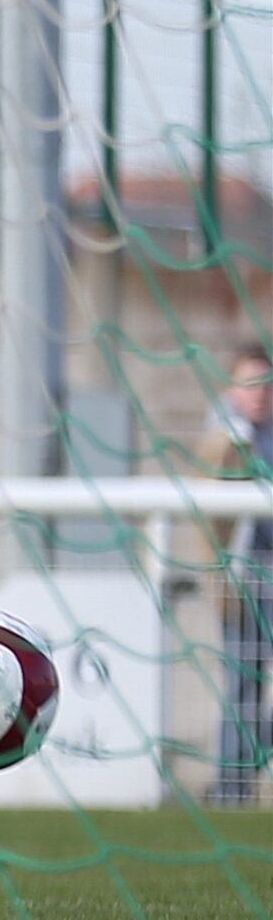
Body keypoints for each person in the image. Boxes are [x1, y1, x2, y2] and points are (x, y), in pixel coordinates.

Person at [201, 343, 273, 804]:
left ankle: (243, 767)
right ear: (232, 389)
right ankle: (232, 789)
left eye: (265, 383)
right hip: (245, 578)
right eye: (249, 383)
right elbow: (209, 509)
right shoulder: (222, 433)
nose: (259, 393)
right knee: (242, 683)